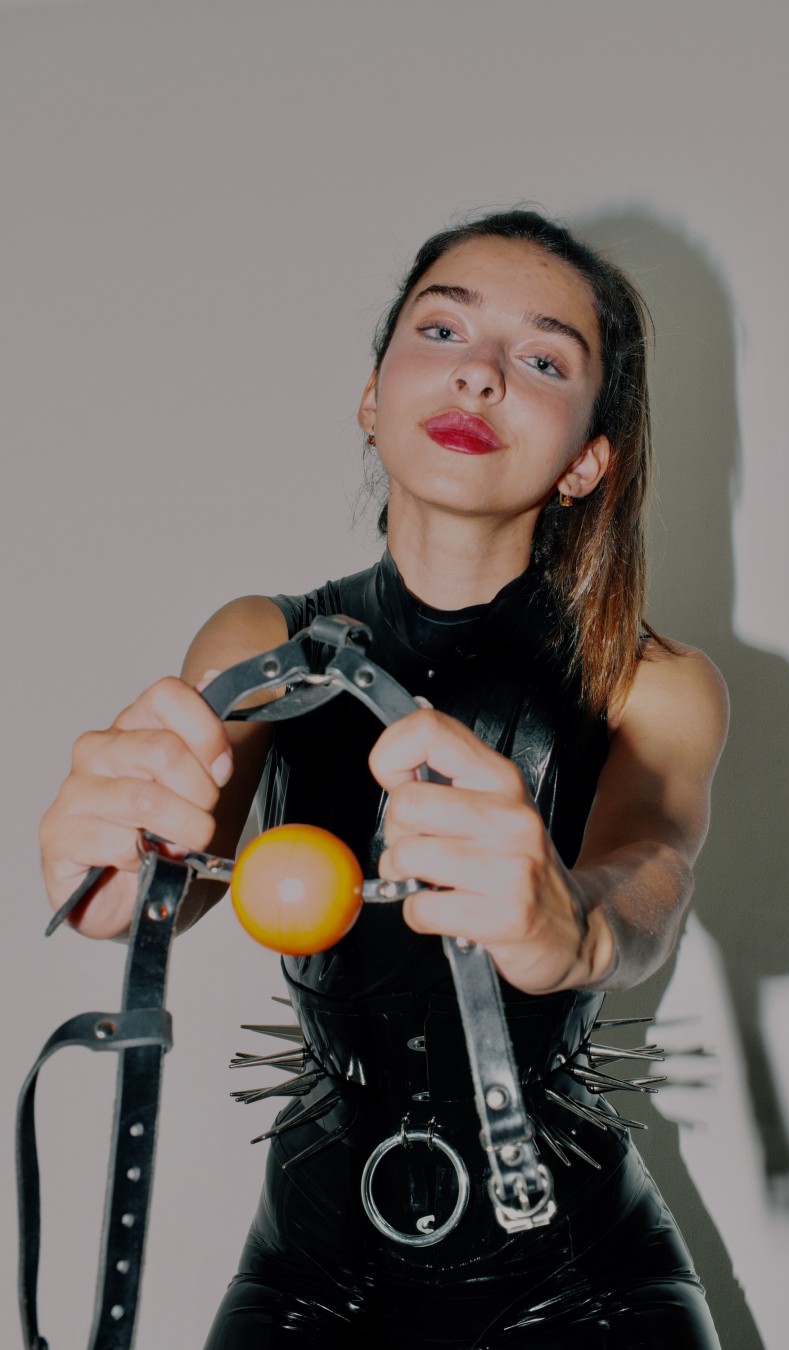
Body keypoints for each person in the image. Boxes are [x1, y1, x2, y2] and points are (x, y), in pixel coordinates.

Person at [40, 210, 729, 1347]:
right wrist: (117, 867)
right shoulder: (258, 644)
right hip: (312, 1277)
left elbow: (652, 859)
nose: (479, 371)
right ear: (372, 396)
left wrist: (581, 928)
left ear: (588, 459)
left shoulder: (653, 681)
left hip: (582, 1282)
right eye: (443, 329)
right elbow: (177, 859)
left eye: (543, 359)